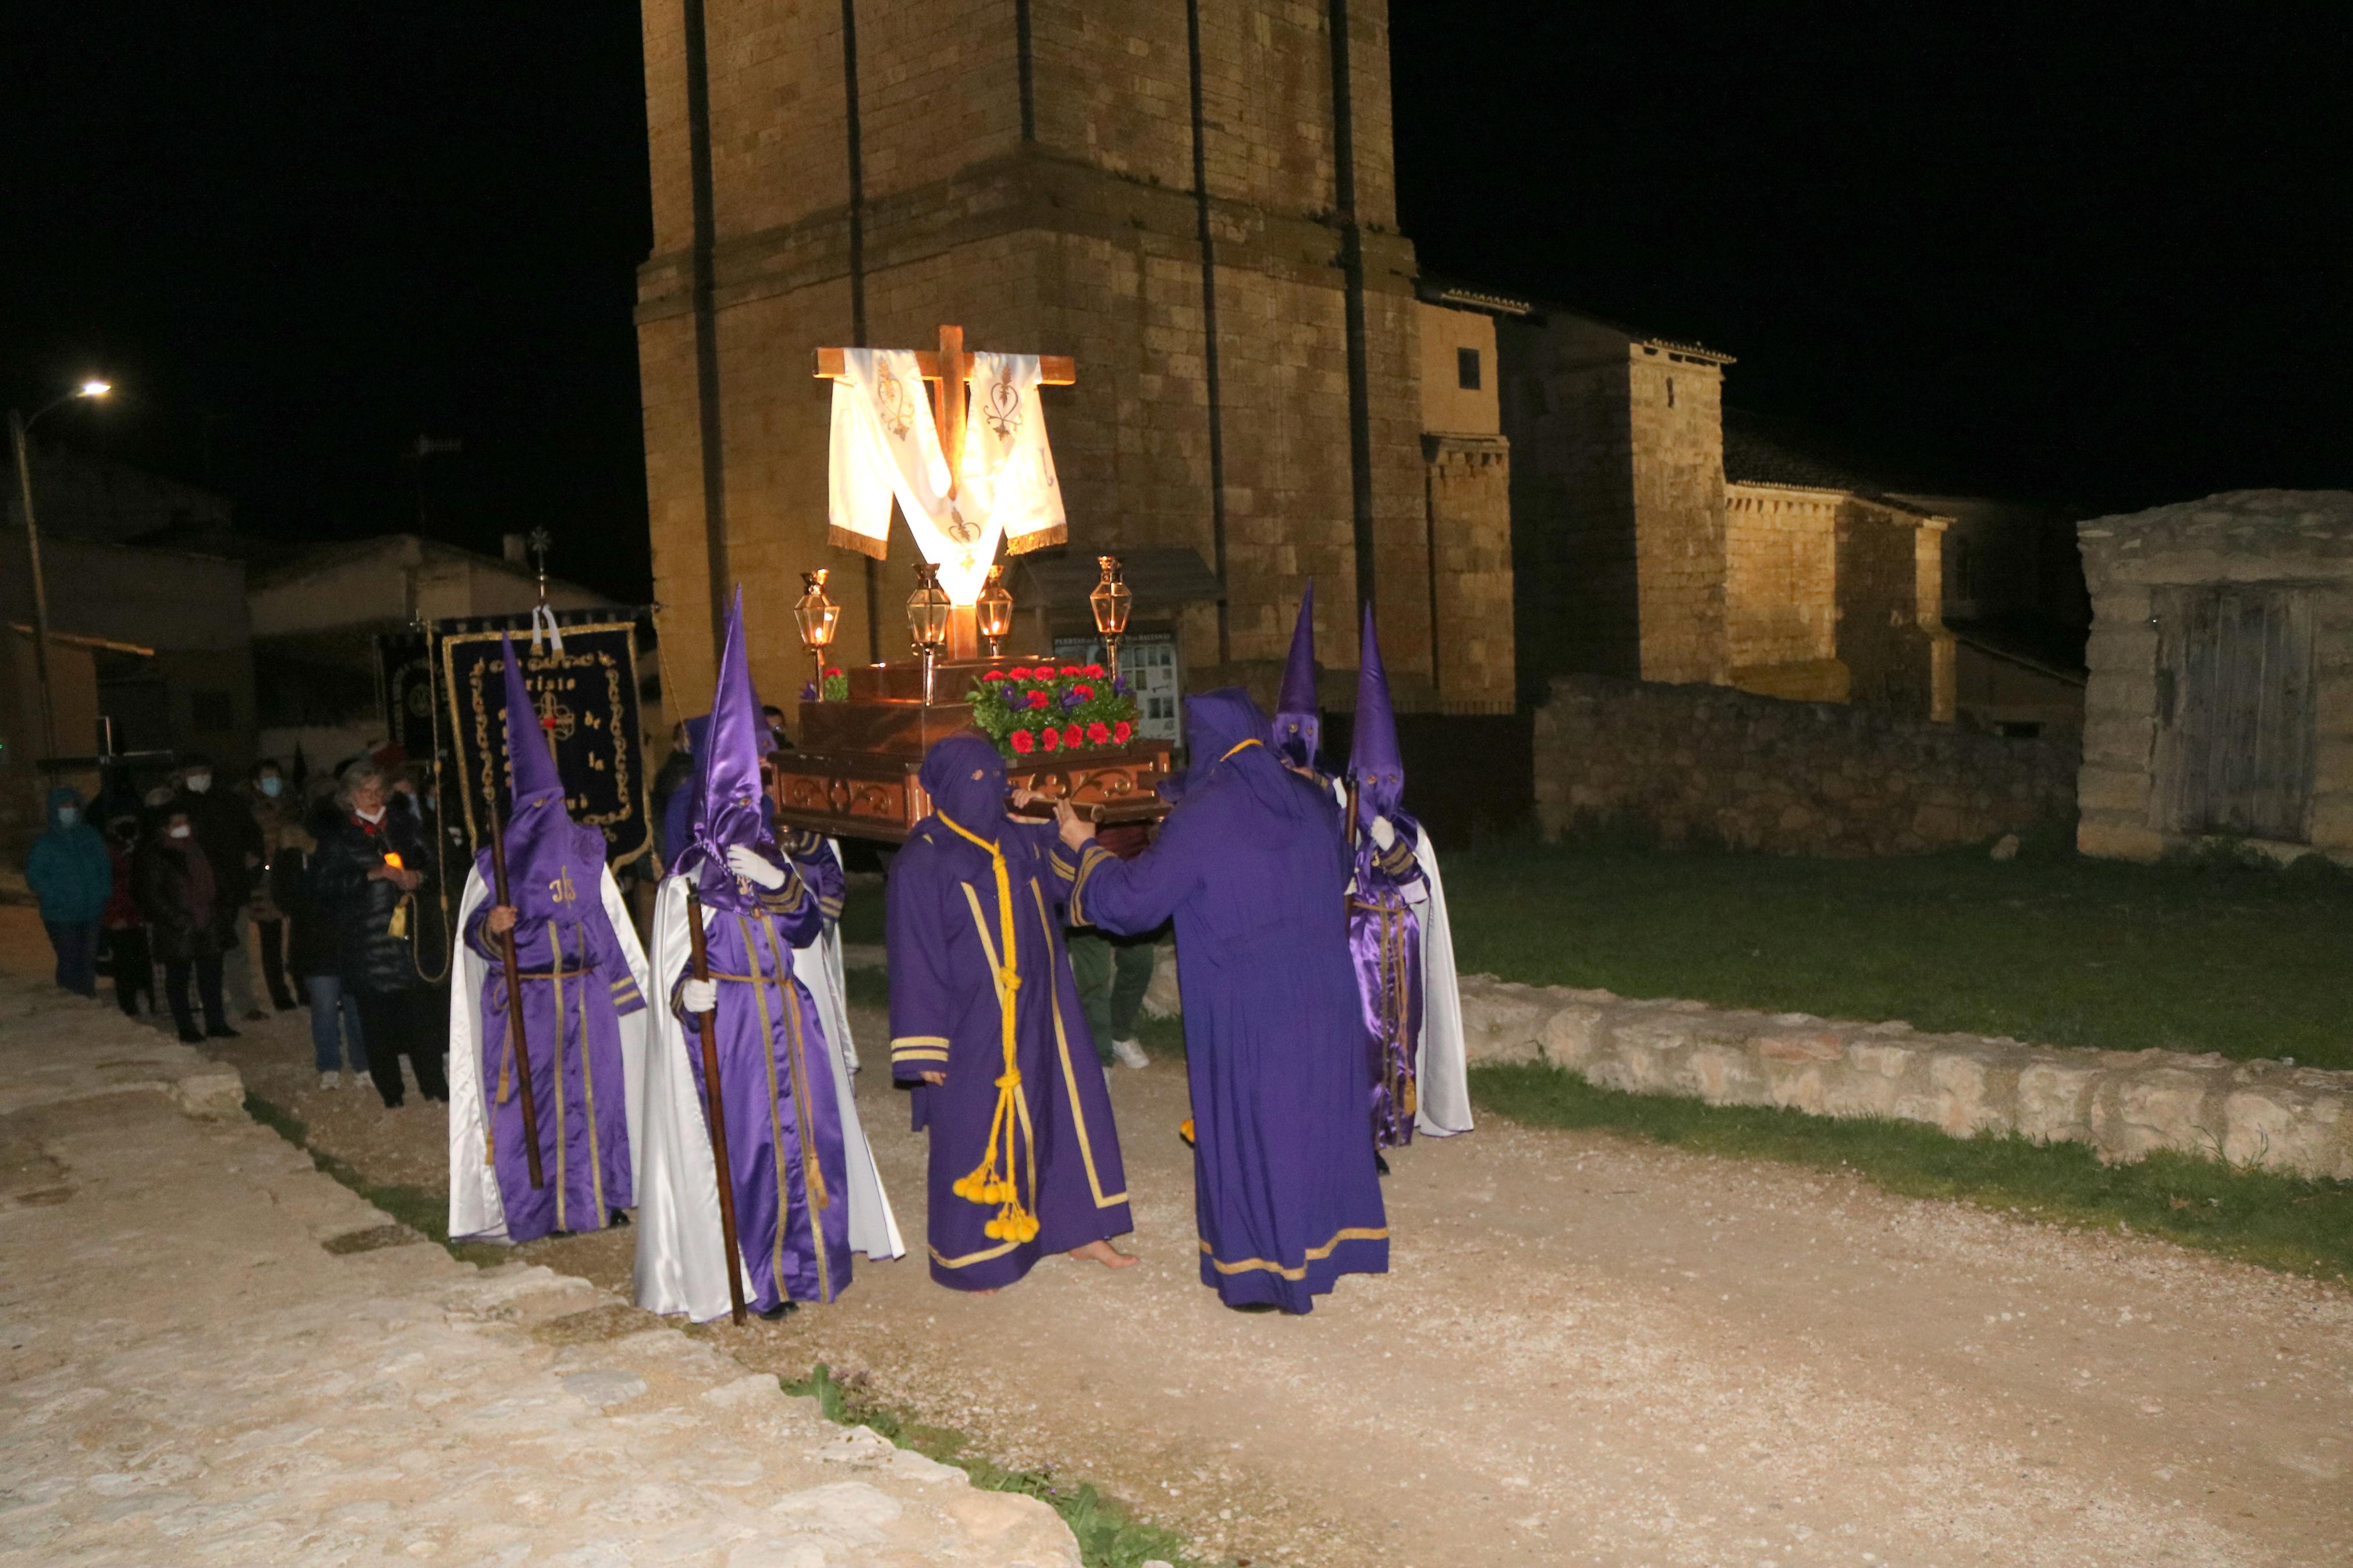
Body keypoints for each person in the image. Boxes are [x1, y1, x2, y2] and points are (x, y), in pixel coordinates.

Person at [1057, 688, 1386, 1313]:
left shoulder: (1205, 814)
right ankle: (1325, 1249)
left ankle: (1263, 1272)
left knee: (1254, 1130)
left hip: (1250, 1001)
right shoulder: (1308, 797)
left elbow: (1133, 903)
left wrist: (1083, 845)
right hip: (1324, 989)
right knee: (1311, 1120)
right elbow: (1340, 863)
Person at [635, 590, 875, 1321]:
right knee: (747, 1149)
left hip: (787, 1016)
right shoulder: (686, 883)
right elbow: (670, 971)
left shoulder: (780, 856)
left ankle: (813, 1262)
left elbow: (806, 930)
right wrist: (685, 997)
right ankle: (757, 1275)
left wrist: (780, 884)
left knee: (808, 1139)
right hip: (732, 1024)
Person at [888, 730, 1136, 1293]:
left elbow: (1061, 890)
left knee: (1062, 1112)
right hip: (972, 1020)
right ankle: (980, 1255)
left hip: (1044, 1006)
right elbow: (914, 954)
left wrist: (1066, 833)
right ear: (947, 789)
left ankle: (1079, 1228)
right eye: (977, 781)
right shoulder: (922, 860)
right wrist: (924, 1044)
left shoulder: (1012, 837)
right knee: (976, 1128)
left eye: (997, 777)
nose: (992, 789)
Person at [444, 638, 653, 1244]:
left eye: (555, 802)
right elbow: (473, 934)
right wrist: (493, 928)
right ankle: (543, 1208)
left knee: (597, 1101)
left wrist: (621, 990)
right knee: (534, 1105)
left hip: (586, 995)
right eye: (540, 805)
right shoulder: (493, 863)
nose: (551, 814)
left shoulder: (587, 852)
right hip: (527, 1001)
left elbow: (604, 921)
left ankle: (601, 1198)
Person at [1341, 607, 1471, 1152]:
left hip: (1403, 946)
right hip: (1354, 947)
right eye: (1370, 777)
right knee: (1361, 1037)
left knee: (1401, 1036)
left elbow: (1420, 893)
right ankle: (1356, 1130)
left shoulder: (1411, 832)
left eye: (1387, 777)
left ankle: (1395, 1122)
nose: (1379, 785)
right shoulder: (1340, 821)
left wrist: (1390, 843)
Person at [313, 760, 446, 1108]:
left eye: (377, 791)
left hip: (411, 940)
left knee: (422, 1020)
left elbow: (440, 867)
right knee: (377, 1025)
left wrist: (418, 878)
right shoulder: (338, 837)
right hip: (366, 943)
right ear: (349, 797)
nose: (372, 798)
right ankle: (392, 1093)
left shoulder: (406, 826)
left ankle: (434, 1085)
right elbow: (322, 888)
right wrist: (368, 877)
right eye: (364, 792)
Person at [279, 783, 366, 1089]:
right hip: (317, 943)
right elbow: (284, 895)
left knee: (353, 1006)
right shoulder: (295, 857)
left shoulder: (348, 853)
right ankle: (330, 1064)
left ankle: (361, 1064)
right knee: (327, 1008)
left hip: (345, 938)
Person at [174, 753, 265, 1022]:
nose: (198, 777)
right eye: (192, 772)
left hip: (232, 889)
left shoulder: (230, 802)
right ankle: (209, 1004)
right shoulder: (177, 807)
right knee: (203, 951)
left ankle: (245, 1003)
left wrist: (253, 857)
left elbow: (253, 836)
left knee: (237, 949)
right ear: (182, 776)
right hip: (196, 893)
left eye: (203, 771)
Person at [134, 806, 236, 1043]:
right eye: (176, 824)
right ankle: (186, 1026)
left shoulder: (201, 849)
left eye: (185, 822)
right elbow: (151, 893)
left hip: (207, 922)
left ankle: (216, 1022)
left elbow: (218, 881)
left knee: (211, 976)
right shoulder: (156, 854)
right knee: (178, 978)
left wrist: (220, 909)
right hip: (178, 926)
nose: (182, 828)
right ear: (165, 828)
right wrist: (175, 918)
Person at [25, 787, 113, 997]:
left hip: (91, 910)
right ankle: (70, 999)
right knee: (70, 958)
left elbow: (104, 867)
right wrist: (57, 899)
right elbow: (35, 876)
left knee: (88, 959)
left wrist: (102, 892)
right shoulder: (46, 844)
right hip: (61, 914)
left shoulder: (90, 836)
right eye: (64, 806)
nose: (69, 810)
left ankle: (87, 996)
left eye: (73, 806)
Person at [244, 759, 304, 1012]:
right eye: (267, 778)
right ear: (257, 783)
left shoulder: (293, 806)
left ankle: (304, 988)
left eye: (276, 777)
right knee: (270, 941)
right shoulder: (250, 810)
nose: (273, 783)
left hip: (293, 877)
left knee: (299, 938)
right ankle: (279, 993)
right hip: (265, 882)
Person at [101, 813, 155, 1017]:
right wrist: (112, 917)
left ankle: (153, 1000)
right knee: (124, 964)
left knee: (146, 962)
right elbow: (105, 887)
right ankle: (128, 1005)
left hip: (141, 916)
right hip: (119, 917)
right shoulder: (108, 853)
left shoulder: (142, 848)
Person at [650, 720, 695, 870]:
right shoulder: (678, 770)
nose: (692, 739)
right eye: (687, 736)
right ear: (676, 744)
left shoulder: (699, 766)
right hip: (677, 848)